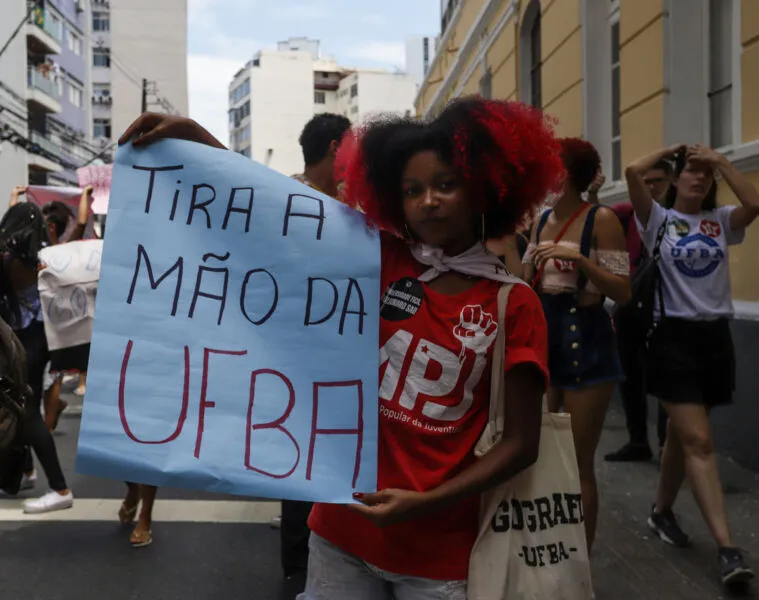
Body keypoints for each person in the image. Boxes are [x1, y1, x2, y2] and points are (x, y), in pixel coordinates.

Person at [119, 97, 562, 599]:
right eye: (412, 190)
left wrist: (426, 501)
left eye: (445, 185)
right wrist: (197, 140)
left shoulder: (515, 305)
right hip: (340, 533)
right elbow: (274, 214)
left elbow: (522, 445)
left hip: (440, 555)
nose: (428, 201)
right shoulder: (378, 256)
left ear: (484, 189)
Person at [626, 143, 759, 585]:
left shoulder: (720, 222)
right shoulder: (658, 221)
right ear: (676, 179)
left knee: (684, 440)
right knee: (700, 441)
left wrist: (721, 160)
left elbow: (755, 203)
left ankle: (661, 512)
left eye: (706, 175)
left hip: (715, 338)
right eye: (691, 172)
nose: (699, 179)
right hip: (671, 338)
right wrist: (670, 152)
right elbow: (632, 169)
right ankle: (728, 549)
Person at [522, 138, 631, 551]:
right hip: (546, 336)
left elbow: (622, 292)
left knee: (579, 461)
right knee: (544, 453)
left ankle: (579, 566)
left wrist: (584, 264)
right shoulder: (541, 219)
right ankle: (547, 551)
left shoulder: (601, 219)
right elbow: (526, 278)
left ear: (564, 176)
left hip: (587, 337)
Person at [282, 112, 351, 585]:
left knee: (333, 453)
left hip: (343, 353)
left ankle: (334, 552)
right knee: (295, 458)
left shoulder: (357, 206)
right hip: (290, 353)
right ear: (333, 148)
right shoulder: (280, 199)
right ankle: (298, 566)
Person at [0, 203, 73, 513]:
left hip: (20, 340)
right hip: (42, 338)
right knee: (21, 405)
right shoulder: (47, 259)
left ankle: (59, 488)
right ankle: (26, 471)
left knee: (24, 409)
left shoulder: (9, 259)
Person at [604, 161, 672, 463]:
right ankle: (638, 441)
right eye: (646, 182)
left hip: (668, 306)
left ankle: (667, 445)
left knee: (666, 377)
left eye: (657, 181)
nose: (651, 187)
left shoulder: (677, 216)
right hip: (632, 301)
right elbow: (598, 217)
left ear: (671, 182)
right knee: (629, 374)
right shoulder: (629, 212)